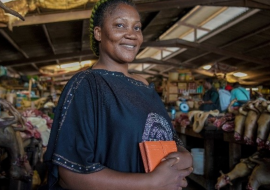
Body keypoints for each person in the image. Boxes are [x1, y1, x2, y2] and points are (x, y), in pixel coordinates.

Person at [44, 0, 193, 189]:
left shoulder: (145, 86)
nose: (131, 34)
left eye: (137, 27)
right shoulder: (87, 84)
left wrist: (183, 155)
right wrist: (151, 182)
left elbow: (170, 139)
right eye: (120, 25)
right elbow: (71, 174)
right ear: (98, 33)